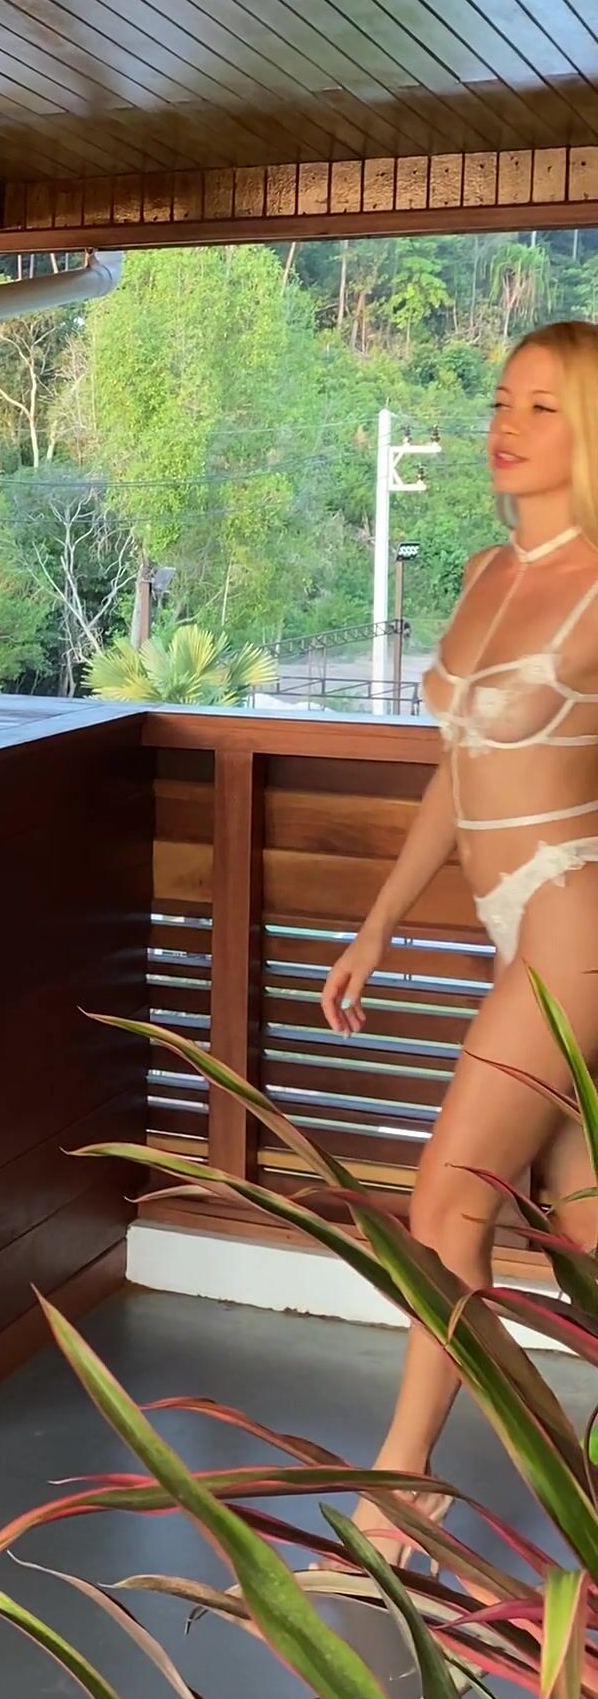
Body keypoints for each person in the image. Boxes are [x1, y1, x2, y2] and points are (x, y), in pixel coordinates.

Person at [320, 320, 598, 1558]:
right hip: (510, 922)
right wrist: (375, 927)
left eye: (544, 406)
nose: (507, 426)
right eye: (500, 400)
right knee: (580, 1224)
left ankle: (404, 1486)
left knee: (447, 1198)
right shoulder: (488, 571)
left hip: (576, 911)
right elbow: (458, 769)